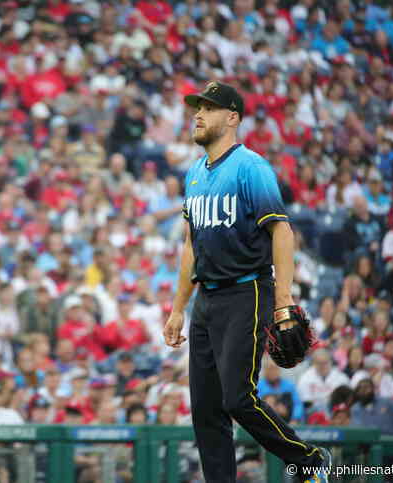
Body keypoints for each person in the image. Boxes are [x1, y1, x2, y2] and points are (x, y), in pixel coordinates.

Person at [162, 81, 331, 483]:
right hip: (207, 298)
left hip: (247, 290)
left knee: (237, 398)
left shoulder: (251, 167)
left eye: (209, 108)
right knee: (205, 410)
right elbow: (191, 246)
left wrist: (284, 299)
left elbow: (282, 231)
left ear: (232, 117)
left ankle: (309, 461)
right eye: (196, 108)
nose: (197, 114)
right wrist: (177, 309)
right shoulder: (194, 173)